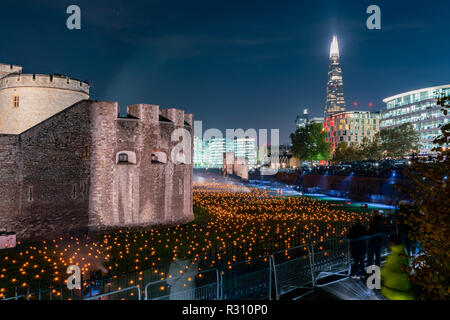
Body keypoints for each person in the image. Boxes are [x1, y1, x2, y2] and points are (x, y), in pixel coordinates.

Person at [381, 234, 415, 300]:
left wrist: (378, 274)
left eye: (390, 243)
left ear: (392, 243)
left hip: (394, 290)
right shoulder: (404, 253)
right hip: (406, 289)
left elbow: (387, 272)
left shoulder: (394, 256)